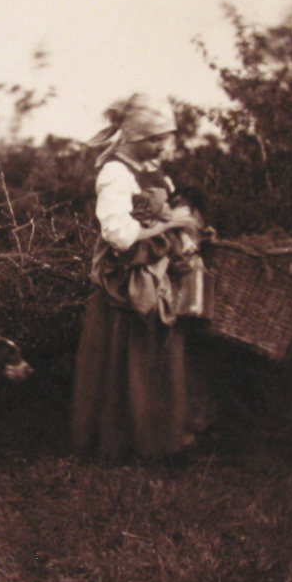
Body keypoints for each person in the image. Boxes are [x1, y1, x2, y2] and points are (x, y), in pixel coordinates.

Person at [71, 94, 216, 460]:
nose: (161, 145)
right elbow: (117, 234)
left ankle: (161, 440)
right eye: (155, 138)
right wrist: (169, 224)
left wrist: (188, 231)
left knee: (157, 355)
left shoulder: (152, 169)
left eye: (164, 138)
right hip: (126, 276)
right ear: (134, 137)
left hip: (157, 269)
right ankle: (121, 443)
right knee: (126, 356)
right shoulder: (115, 173)